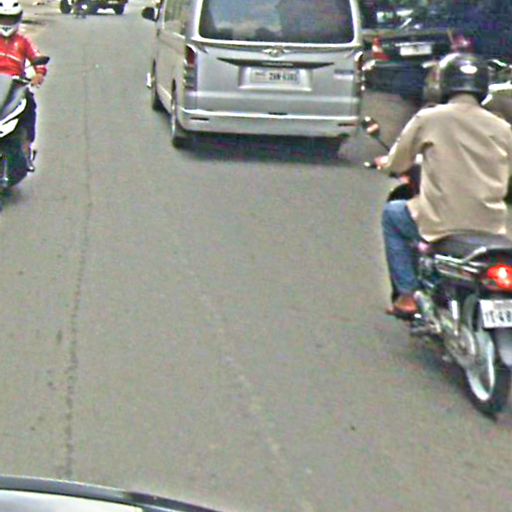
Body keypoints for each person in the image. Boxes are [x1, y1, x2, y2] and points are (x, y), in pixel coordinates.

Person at [376, 52, 512, 317]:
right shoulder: (502, 128)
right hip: (490, 226)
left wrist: (386, 164)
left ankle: (407, 296)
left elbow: (399, 162)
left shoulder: (429, 118)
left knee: (393, 214)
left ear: (445, 84)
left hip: (440, 222)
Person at [0, 0, 48, 170]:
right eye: (3, 19)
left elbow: (37, 58)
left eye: (10, 19)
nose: (6, 23)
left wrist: (39, 74)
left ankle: (26, 148)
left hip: (15, 84)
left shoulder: (23, 42)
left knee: (29, 107)